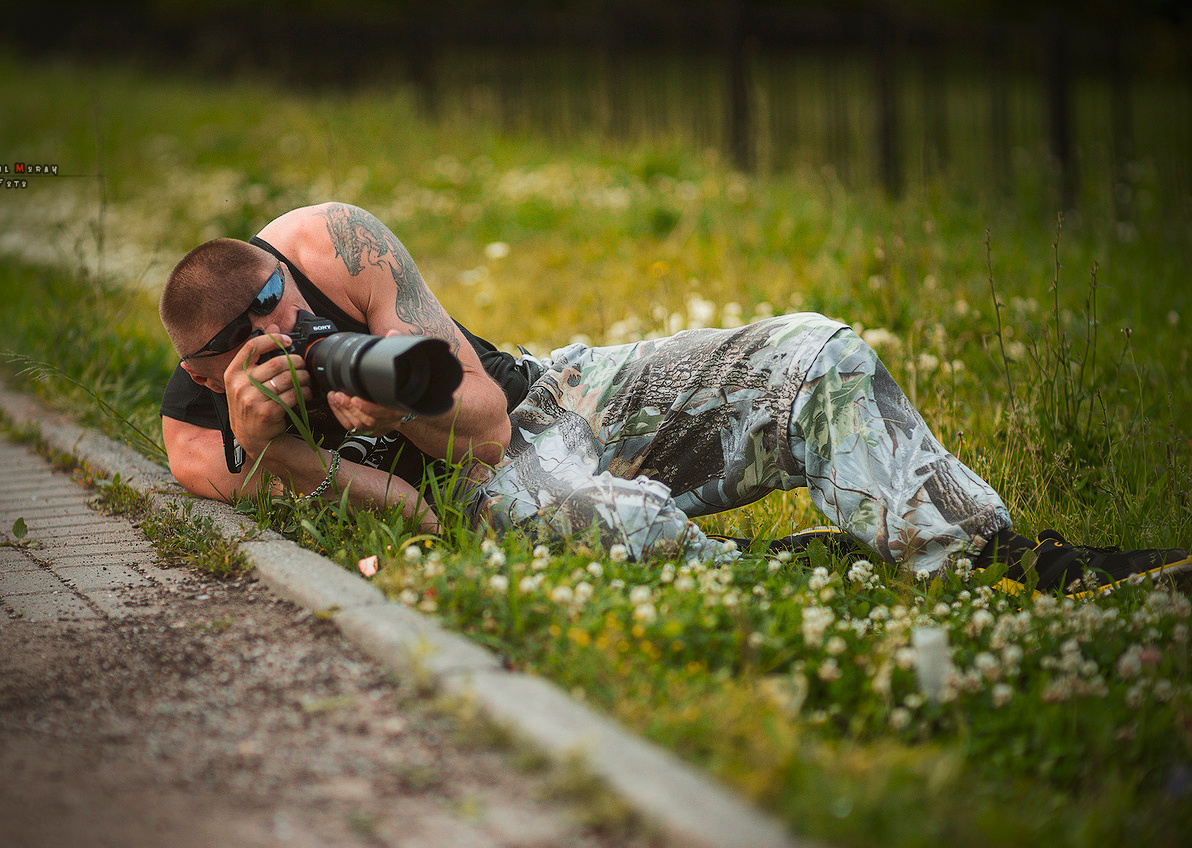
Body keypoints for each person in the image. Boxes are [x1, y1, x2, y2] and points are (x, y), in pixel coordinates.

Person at [159, 202, 1190, 594]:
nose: (292, 333)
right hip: (475, 496)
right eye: (260, 338)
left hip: (541, 392)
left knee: (810, 352)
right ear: (210, 374)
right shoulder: (205, 445)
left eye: (284, 303)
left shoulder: (332, 244)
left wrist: (390, 407)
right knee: (624, 528)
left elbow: (478, 421)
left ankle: (1001, 562)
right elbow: (428, 512)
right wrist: (293, 457)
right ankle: (807, 582)